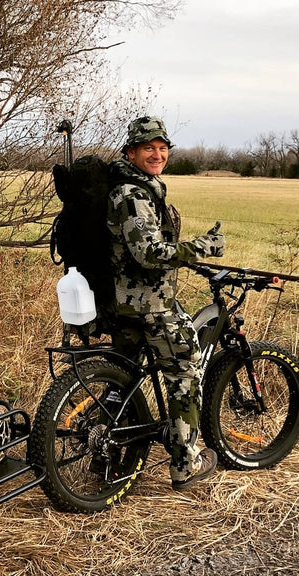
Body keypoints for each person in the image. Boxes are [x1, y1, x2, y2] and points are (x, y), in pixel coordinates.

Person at [103, 116, 225, 491]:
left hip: (127, 300)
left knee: (123, 377)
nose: (157, 154)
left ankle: (112, 445)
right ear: (131, 152)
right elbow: (150, 253)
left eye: (162, 148)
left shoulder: (145, 187)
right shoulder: (131, 194)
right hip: (147, 305)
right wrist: (202, 247)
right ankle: (186, 464)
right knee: (186, 371)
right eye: (148, 149)